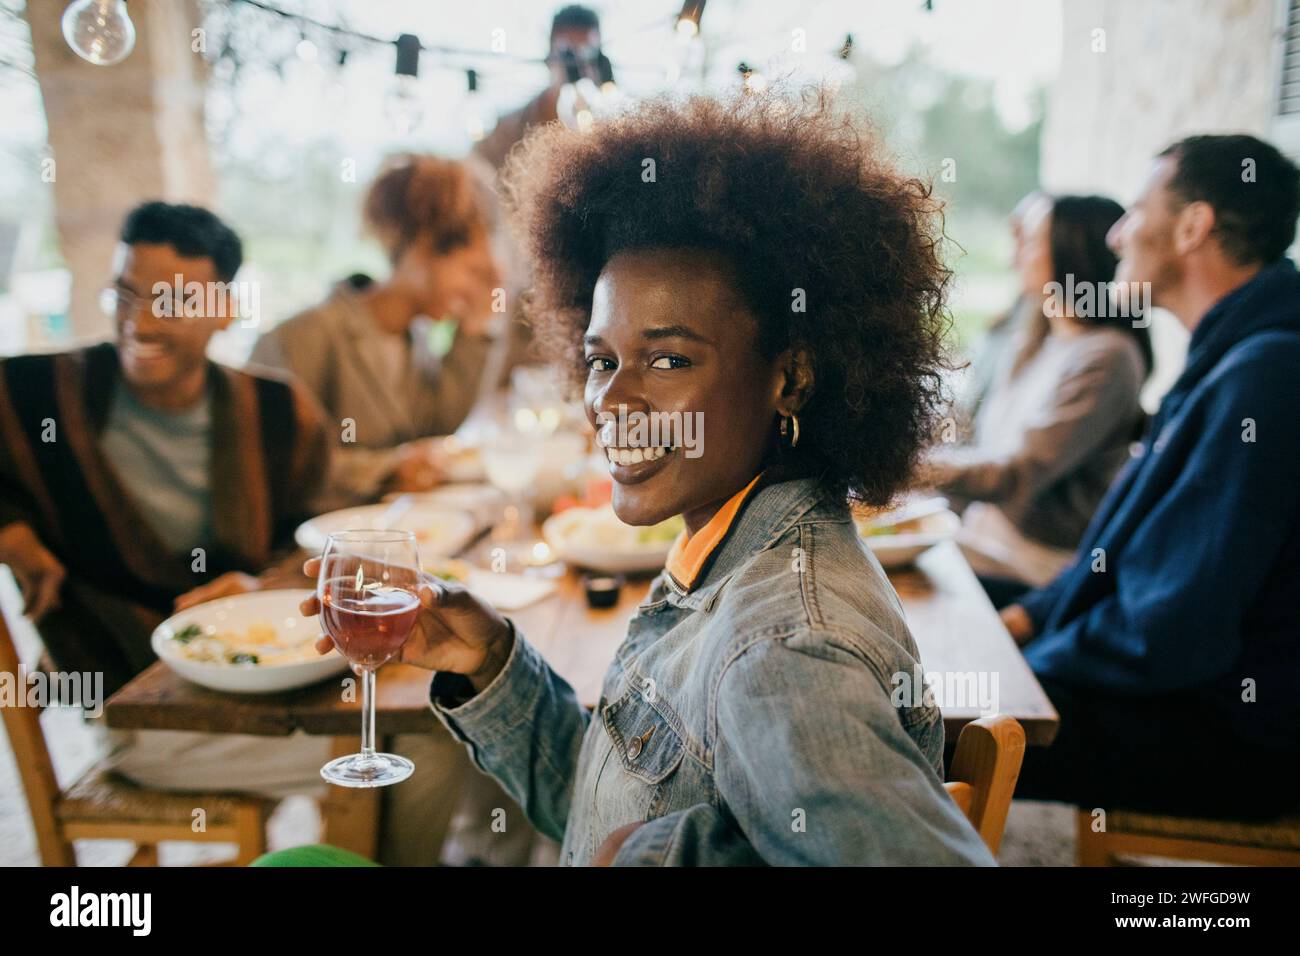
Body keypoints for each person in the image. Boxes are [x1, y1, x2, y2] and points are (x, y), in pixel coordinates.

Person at [268, 92, 998, 866]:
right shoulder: (730, 548)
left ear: (790, 378)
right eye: (602, 360)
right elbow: (614, 801)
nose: (610, 402)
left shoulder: (784, 653)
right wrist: (488, 666)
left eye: (670, 359)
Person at [1001, 134, 1300, 819]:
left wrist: (1025, 664)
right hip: (1181, 688)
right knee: (965, 629)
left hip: (1233, 737)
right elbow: (1121, 562)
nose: (1115, 234)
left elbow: (1169, 629)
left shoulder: (1267, 378)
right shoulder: (1228, 361)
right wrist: (1023, 618)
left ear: (1194, 226)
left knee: (921, 727)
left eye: (1136, 211)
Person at [0, 201, 338, 795]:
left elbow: (312, 537)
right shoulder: (35, 396)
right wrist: (7, 528)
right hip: (130, 708)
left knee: (420, 721)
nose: (141, 324)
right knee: (396, 755)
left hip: (268, 678)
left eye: (174, 303)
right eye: (126, 296)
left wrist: (268, 588)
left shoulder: (281, 413)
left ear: (226, 312)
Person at [923, 195, 1151, 605]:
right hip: (980, 539)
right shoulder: (1035, 338)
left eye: (1029, 242)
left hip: (1031, 567)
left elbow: (1016, 474)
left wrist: (908, 471)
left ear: (1069, 253)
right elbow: (968, 435)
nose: (1016, 257)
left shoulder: (1107, 357)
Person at [250, 155, 503, 505]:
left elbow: (437, 430)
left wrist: (475, 330)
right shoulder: (303, 338)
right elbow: (275, 464)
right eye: (473, 272)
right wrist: (387, 468)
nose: (481, 292)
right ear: (421, 249)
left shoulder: (416, 341)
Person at [472, 5, 602, 172]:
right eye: (568, 55)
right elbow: (479, 176)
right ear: (549, 59)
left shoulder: (614, 126)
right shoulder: (509, 130)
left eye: (588, 55)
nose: (577, 67)